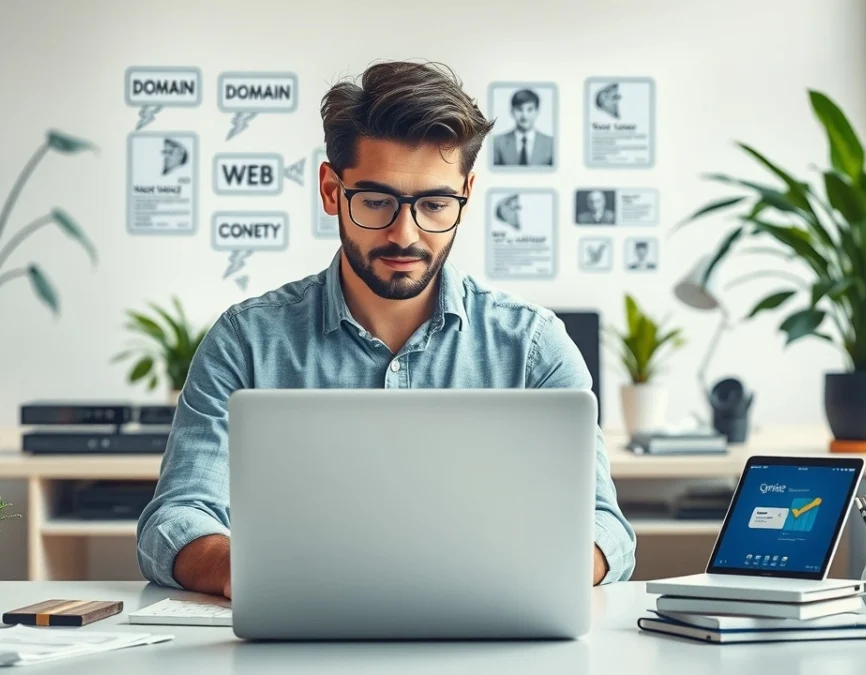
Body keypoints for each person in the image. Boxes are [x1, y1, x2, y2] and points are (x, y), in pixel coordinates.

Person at [136, 60, 636, 597]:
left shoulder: (534, 347)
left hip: (487, 621)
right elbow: (176, 518)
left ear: (466, 195)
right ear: (331, 190)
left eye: (435, 204)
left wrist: (516, 574)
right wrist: (249, 572)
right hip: (299, 619)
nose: (405, 234)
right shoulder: (246, 341)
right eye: (376, 202)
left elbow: (604, 529)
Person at [492, 89, 554, 166]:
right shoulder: (497, 143)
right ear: (512, 111)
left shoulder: (551, 144)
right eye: (519, 109)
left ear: (537, 111)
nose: (524, 115)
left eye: (530, 109)